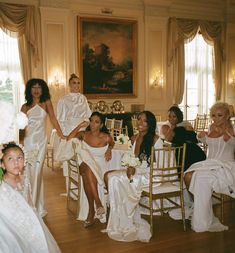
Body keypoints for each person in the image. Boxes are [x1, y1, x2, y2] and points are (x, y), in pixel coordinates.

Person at [103, 111, 163, 242]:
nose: (140, 123)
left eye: (144, 121)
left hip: (150, 175)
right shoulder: (135, 138)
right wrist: (131, 166)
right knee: (111, 177)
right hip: (137, 172)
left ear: (150, 124)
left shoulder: (156, 140)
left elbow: (158, 166)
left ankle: (124, 215)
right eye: (139, 119)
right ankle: (119, 214)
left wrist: (136, 169)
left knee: (114, 178)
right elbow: (131, 158)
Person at [0, 143, 61, 253]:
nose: (16, 162)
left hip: (28, 219)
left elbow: (30, 203)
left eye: (19, 158)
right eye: (10, 159)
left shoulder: (24, 179)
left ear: (24, 161)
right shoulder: (2, 184)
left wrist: (35, 220)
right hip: (13, 222)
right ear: (3, 164)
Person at [184, 102, 235, 232]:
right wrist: (202, 137)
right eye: (213, 115)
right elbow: (208, 142)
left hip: (225, 165)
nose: (216, 118)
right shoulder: (211, 127)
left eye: (220, 115)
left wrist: (230, 139)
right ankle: (200, 206)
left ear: (227, 115)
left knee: (198, 178)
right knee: (187, 175)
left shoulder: (231, 128)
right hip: (209, 163)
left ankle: (200, 211)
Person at [20, 78, 65, 217]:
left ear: (43, 89)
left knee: (38, 173)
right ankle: (30, 205)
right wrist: (20, 145)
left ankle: (35, 208)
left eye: (39, 87)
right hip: (27, 143)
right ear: (30, 90)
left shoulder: (46, 103)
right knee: (28, 174)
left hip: (40, 143)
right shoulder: (25, 107)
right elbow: (21, 128)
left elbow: (53, 119)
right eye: (34, 87)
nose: (36, 90)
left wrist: (62, 135)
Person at [68, 111, 115, 227]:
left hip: (99, 167)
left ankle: (91, 210)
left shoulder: (106, 137)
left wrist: (109, 149)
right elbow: (69, 138)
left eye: (97, 122)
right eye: (92, 121)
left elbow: (112, 144)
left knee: (88, 173)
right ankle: (98, 203)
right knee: (88, 167)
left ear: (101, 125)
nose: (93, 124)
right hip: (84, 163)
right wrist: (79, 126)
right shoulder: (83, 134)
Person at [56, 73, 92, 194]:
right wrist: (64, 135)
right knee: (70, 160)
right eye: (74, 83)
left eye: (78, 83)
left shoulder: (83, 98)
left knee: (83, 157)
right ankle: (70, 190)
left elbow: (88, 115)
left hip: (82, 131)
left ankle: (83, 189)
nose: (76, 85)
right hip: (69, 131)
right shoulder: (63, 99)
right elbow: (60, 119)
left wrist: (86, 123)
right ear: (69, 85)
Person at [161, 105, 206, 171]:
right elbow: (167, 142)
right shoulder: (166, 127)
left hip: (191, 150)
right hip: (180, 153)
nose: (171, 119)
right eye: (169, 116)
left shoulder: (186, 125)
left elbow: (195, 139)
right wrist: (173, 127)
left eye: (174, 116)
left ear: (178, 117)